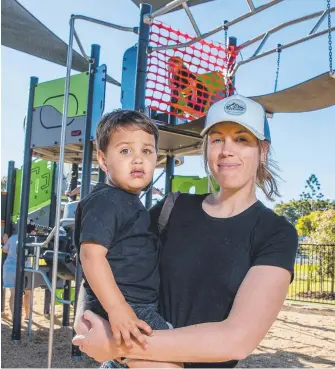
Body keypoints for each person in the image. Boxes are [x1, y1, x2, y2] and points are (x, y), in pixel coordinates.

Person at [73, 95, 298, 368]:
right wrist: (85, 315)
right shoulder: (172, 207)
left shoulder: (276, 233)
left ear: (262, 150)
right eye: (217, 139)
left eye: (241, 139)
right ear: (206, 148)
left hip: (132, 350)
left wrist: (118, 344)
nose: (227, 150)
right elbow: (102, 257)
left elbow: (236, 339)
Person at [74, 110, 181, 368]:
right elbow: (91, 255)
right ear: (102, 160)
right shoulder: (105, 201)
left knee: (131, 359)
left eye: (147, 151)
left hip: (134, 302)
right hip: (124, 303)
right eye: (125, 151)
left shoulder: (129, 202)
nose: (137, 160)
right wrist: (117, 308)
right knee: (171, 360)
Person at [2, 221, 36, 320]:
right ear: (32, 230)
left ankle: (15, 319)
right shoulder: (31, 239)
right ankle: (27, 316)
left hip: (9, 267)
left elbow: (5, 250)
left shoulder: (12, 238)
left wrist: (5, 242)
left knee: (13, 294)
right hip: (25, 269)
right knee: (28, 293)